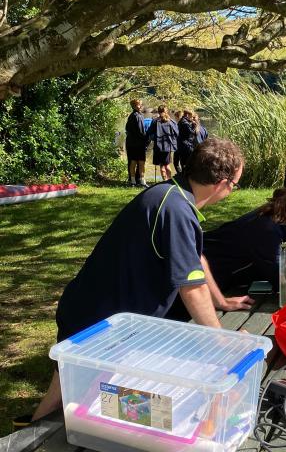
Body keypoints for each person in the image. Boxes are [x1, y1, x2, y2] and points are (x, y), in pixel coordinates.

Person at [31, 136, 250, 422]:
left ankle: (34, 429)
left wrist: (221, 301)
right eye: (235, 185)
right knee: (86, 403)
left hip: (94, 311)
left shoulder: (171, 195)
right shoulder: (177, 211)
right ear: (221, 183)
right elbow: (192, 289)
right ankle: (32, 435)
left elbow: (195, 258)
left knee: (70, 397)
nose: (231, 192)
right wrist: (223, 343)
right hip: (99, 324)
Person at [166, 188, 286, 325]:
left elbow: (271, 263)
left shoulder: (272, 220)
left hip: (214, 275)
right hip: (196, 275)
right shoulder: (268, 231)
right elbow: (279, 280)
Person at [148, 104, 179, 181]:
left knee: (162, 166)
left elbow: (149, 132)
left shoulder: (155, 121)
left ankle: (164, 180)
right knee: (167, 165)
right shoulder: (171, 122)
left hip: (158, 147)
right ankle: (169, 181)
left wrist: (152, 138)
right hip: (167, 146)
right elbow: (177, 133)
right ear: (166, 111)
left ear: (158, 111)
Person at [124, 98, 149, 187]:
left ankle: (133, 181)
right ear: (134, 106)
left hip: (130, 142)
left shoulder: (131, 116)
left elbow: (127, 128)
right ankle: (141, 181)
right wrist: (147, 139)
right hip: (138, 143)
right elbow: (141, 131)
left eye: (141, 104)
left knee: (133, 161)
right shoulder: (138, 116)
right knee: (140, 162)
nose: (141, 106)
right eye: (139, 105)